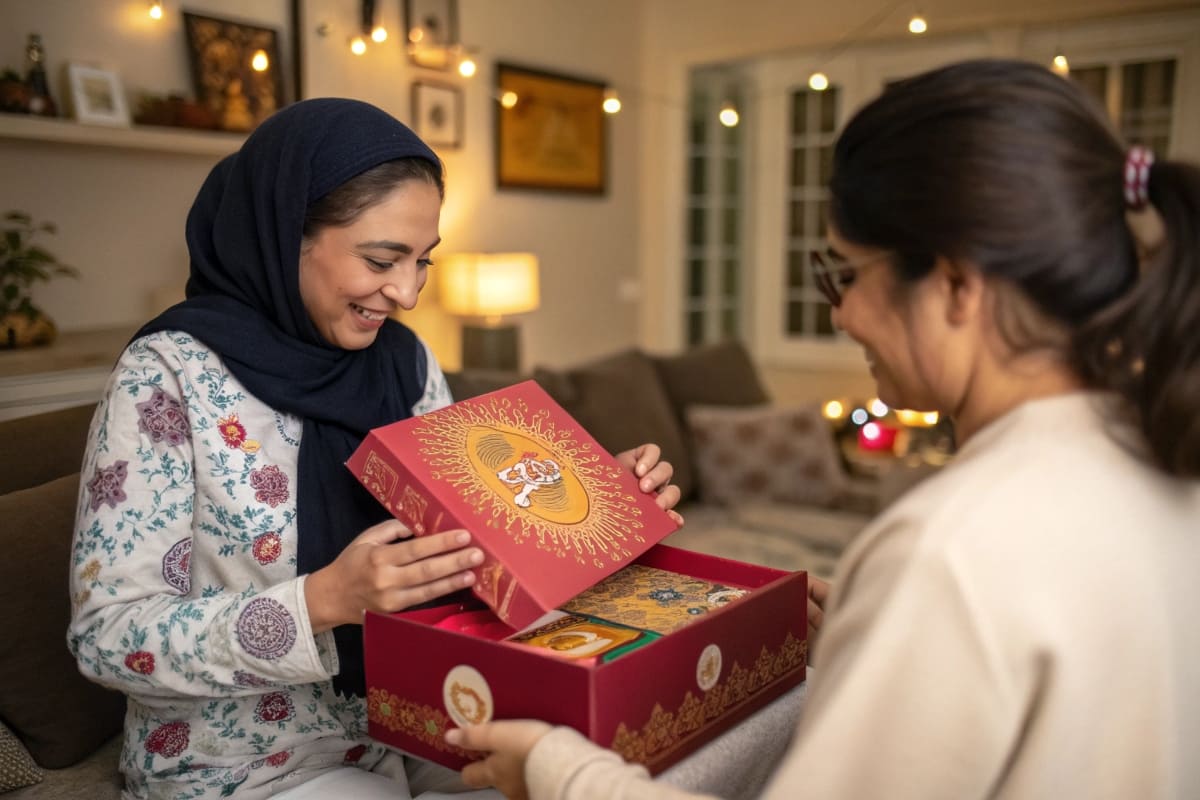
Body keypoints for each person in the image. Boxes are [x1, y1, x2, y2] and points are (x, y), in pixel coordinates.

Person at [444, 58, 1200, 799]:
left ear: (956, 285)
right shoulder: (1160, 458)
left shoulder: (948, 551)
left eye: (845, 274)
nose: (839, 315)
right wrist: (882, 639)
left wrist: (556, 769)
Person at [67, 98, 682, 800]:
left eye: (423, 261)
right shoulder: (169, 377)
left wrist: (585, 504)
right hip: (245, 763)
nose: (408, 292)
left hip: (417, 717)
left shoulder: (406, 364)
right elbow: (108, 636)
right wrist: (324, 600)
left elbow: (474, 554)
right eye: (383, 259)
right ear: (283, 231)